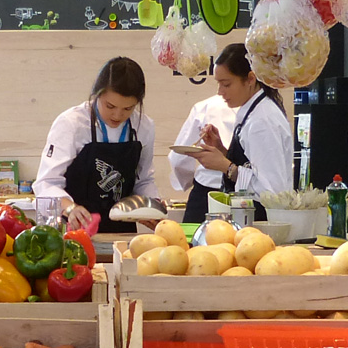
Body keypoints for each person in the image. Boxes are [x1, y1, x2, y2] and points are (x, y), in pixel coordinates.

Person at [32, 56, 157, 233]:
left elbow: (143, 180)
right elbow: (46, 183)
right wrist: (70, 208)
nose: (117, 115)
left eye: (128, 109)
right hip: (75, 227)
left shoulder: (144, 126)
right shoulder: (72, 124)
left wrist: (153, 205)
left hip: (121, 232)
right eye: (110, 106)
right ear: (97, 93)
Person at [187, 42, 293, 222]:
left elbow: (271, 192)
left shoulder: (262, 121)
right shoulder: (253, 111)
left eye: (226, 84)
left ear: (251, 79)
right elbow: (252, 167)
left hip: (261, 223)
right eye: (219, 84)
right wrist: (222, 150)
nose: (220, 92)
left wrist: (225, 166)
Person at [168, 91, 236, 225]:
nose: (222, 90)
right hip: (245, 197)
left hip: (206, 192)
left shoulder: (206, 106)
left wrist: (187, 183)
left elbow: (179, 157)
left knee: (194, 243)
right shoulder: (262, 110)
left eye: (226, 84)